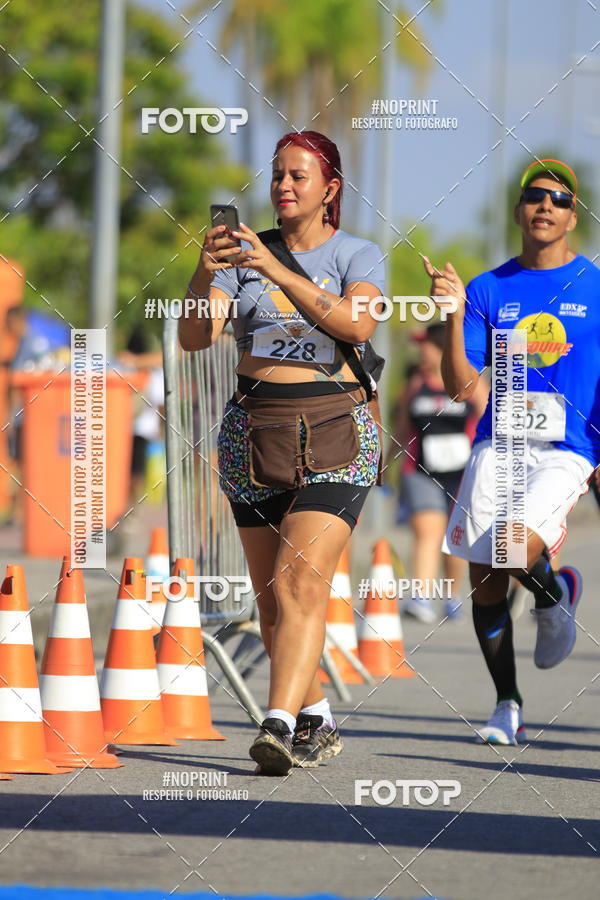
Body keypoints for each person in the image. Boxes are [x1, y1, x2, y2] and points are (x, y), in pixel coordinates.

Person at [178, 130, 385, 774]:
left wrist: (274, 271)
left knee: (300, 580)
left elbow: (356, 324)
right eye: (277, 177)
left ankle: (276, 723)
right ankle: (316, 718)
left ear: (330, 190)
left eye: (299, 176)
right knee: (272, 600)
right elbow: (194, 336)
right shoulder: (243, 256)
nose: (284, 187)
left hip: (335, 431)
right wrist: (207, 270)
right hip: (253, 433)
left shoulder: (360, 253)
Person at [424, 158, 600, 745]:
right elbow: (463, 387)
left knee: (510, 546)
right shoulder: (488, 288)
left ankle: (554, 595)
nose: (546, 206)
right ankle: (507, 703)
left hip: (564, 448)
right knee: (487, 582)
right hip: (497, 442)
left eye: (559, 199)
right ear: (519, 209)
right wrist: (452, 318)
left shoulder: (595, 286)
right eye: (534, 197)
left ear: (574, 215)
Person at [393, 323, 488, 623]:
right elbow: (401, 427)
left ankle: (451, 594)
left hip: (462, 473)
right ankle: (420, 596)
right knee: (427, 531)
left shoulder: (469, 384)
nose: (421, 350)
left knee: (454, 536)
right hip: (420, 470)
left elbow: (490, 420)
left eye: (427, 345)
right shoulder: (414, 383)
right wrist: (386, 465)